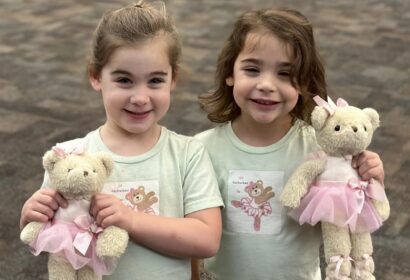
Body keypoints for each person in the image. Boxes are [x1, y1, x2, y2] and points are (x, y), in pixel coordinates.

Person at [19, 2, 224, 279]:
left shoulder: (188, 154)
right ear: (96, 76)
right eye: (124, 80)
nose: (140, 97)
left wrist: (131, 219)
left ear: (173, 78)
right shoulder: (70, 156)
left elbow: (206, 240)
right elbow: (49, 237)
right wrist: (30, 215)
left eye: (155, 81)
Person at [194, 7, 385, 280]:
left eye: (285, 74)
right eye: (252, 69)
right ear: (230, 73)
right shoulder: (201, 150)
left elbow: (353, 215)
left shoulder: (321, 151)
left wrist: (371, 177)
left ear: (305, 82)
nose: (267, 84)